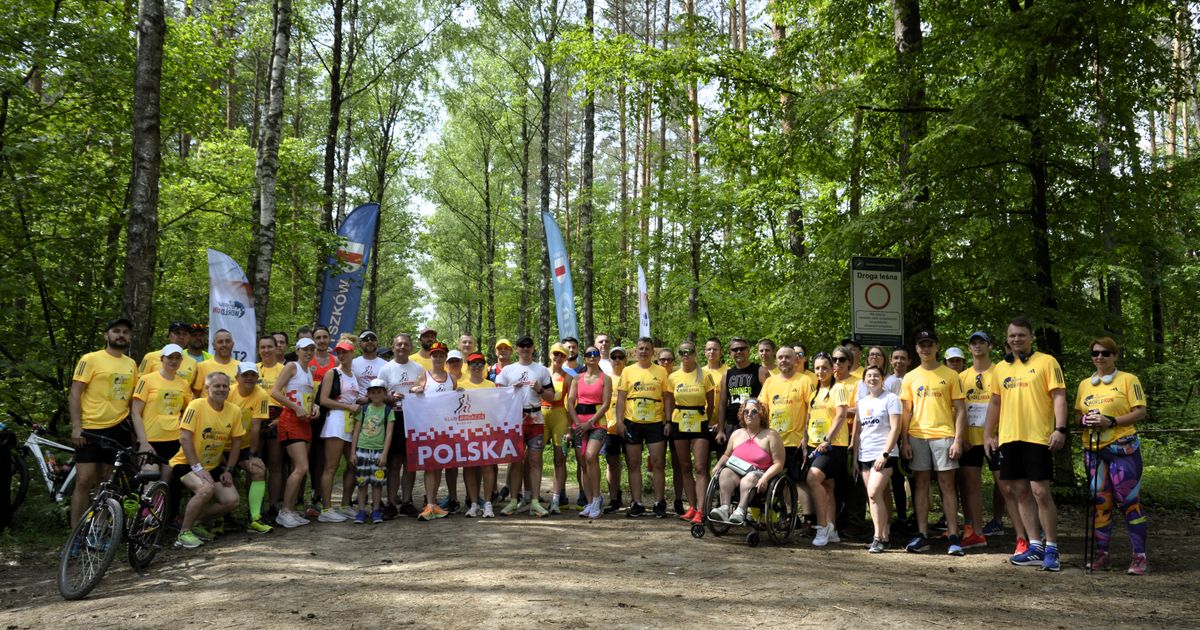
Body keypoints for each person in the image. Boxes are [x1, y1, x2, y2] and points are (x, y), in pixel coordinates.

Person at [984, 315, 1068, 572]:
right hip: (1010, 438)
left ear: (1030, 337)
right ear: (1007, 340)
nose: (1017, 339)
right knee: (1019, 491)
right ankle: (1034, 545)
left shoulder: (1046, 362)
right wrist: (988, 434)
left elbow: (1059, 397)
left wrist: (1060, 429)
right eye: (1012, 336)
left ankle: (1052, 547)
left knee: (1040, 492)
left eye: (1021, 335)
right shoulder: (1000, 368)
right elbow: (995, 402)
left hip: (1038, 437)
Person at [1076, 337, 1149, 575]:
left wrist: (1112, 421)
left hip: (1123, 448)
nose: (1100, 357)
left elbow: (1140, 412)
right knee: (1100, 503)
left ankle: (1139, 557)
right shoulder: (1085, 384)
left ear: (1115, 355)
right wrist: (1085, 420)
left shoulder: (1129, 380)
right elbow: (1078, 416)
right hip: (1094, 450)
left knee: (1129, 502)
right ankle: (1102, 555)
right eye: (1095, 353)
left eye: (1105, 353)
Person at [69, 318, 147, 526]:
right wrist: (77, 427)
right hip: (90, 428)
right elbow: (75, 393)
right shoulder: (90, 359)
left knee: (106, 482)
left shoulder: (131, 364)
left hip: (117, 429)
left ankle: (99, 529)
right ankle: (75, 532)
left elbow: (132, 400)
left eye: (125, 332)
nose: (121, 335)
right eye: (116, 331)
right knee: (84, 480)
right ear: (106, 335)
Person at [900, 330, 967, 556]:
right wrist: (904, 441)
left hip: (944, 436)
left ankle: (953, 535)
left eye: (929, 344)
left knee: (948, 486)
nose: (925, 349)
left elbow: (960, 410)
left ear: (937, 347)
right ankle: (922, 534)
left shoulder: (950, 375)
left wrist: (958, 440)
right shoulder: (910, 377)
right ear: (916, 348)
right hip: (917, 436)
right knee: (921, 485)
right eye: (921, 345)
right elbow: (905, 412)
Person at [171, 372, 245, 548]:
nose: (221, 389)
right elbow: (184, 437)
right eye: (216, 386)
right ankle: (184, 533)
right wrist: (197, 468)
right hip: (185, 463)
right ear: (207, 388)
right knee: (206, 489)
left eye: (224, 386)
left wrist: (229, 470)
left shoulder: (234, 411)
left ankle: (195, 520)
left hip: (212, 465)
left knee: (232, 500)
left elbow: (237, 442)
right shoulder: (196, 405)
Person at [957, 331, 1007, 550]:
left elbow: (1008, 405)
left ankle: (1029, 533)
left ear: (990, 346)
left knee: (1008, 486)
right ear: (969, 348)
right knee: (971, 486)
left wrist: (1000, 432)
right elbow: (956, 409)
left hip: (997, 438)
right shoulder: (961, 377)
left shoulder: (1001, 371)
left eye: (981, 342)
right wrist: (961, 436)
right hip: (970, 439)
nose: (977, 346)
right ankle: (976, 533)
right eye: (973, 343)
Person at [496, 336, 555, 516]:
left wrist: (539, 389)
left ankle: (535, 501)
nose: (525, 349)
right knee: (515, 461)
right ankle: (513, 500)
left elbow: (551, 396)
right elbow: (496, 395)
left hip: (536, 418)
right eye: (522, 346)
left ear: (533, 348)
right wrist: (510, 390)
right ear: (516, 349)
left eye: (529, 346)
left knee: (535, 461)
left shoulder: (542, 370)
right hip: (515, 419)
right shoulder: (507, 370)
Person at [615, 337, 670, 518]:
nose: (644, 352)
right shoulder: (628, 371)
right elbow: (621, 398)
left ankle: (659, 502)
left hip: (655, 421)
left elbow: (667, 397)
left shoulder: (661, 371)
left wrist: (668, 421)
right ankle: (637, 503)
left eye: (647, 349)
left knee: (658, 463)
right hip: (632, 421)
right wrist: (620, 422)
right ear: (635, 352)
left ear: (653, 352)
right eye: (641, 349)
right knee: (633, 463)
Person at [708, 398, 785, 525]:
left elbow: (778, 463)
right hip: (737, 471)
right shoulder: (736, 434)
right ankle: (725, 508)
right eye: (746, 411)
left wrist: (765, 478)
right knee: (725, 473)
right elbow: (727, 454)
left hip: (760, 474)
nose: (749, 414)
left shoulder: (771, 435)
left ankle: (741, 511)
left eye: (754, 412)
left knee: (749, 478)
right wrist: (717, 466)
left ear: (761, 414)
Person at [664, 341, 716, 525]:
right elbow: (669, 400)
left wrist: (707, 420)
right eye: (682, 352)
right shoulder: (673, 376)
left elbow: (711, 401)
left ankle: (702, 509)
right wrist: (669, 420)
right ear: (679, 355)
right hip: (679, 422)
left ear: (695, 354)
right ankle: (692, 506)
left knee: (701, 467)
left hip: (699, 422)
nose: (686, 355)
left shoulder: (705, 375)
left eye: (689, 351)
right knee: (684, 466)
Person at [805, 352, 853, 546]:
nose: (820, 371)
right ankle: (832, 529)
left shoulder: (839, 388)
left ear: (832, 368)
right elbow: (810, 418)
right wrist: (804, 439)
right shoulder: (814, 392)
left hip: (834, 444)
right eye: (817, 368)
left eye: (824, 367)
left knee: (813, 478)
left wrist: (828, 439)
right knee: (827, 486)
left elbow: (841, 416)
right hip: (814, 444)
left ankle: (822, 526)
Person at [270, 338, 317, 528]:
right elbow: (275, 392)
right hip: (290, 420)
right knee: (301, 467)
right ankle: (284, 511)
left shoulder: (309, 372)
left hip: (305, 422)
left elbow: (305, 398)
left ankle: (289, 508)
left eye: (311, 349)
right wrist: (294, 407)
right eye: (305, 349)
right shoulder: (292, 366)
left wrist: (315, 408)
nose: (309, 352)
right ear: (297, 350)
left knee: (299, 468)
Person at [756, 346, 813, 501]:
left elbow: (811, 410)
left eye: (788, 357)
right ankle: (785, 515)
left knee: (800, 481)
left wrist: (806, 436)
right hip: (774, 441)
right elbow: (762, 409)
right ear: (776, 360)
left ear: (795, 360)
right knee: (778, 482)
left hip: (796, 441)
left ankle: (807, 518)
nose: (784, 360)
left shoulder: (805, 380)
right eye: (780, 357)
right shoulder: (769, 382)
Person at [855, 365, 902, 553]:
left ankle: (877, 537)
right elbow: (858, 431)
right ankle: (884, 537)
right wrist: (856, 457)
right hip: (864, 454)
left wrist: (885, 453)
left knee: (874, 493)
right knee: (874, 497)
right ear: (864, 380)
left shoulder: (891, 399)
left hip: (884, 454)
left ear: (882, 378)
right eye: (869, 376)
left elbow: (895, 428)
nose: (872, 379)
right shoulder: (862, 403)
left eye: (876, 375)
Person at [315, 340, 362, 523]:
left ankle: (345, 504)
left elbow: (354, 398)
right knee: (331, 466)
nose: (342, 355)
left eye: (345, 352)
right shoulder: (332, 373)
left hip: (351, 422)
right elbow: (324, 400)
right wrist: (348, 407)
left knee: (352, 464)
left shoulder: (353, 374)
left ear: (352, 353)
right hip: (336, 420)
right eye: (339, 352)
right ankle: (326, 509)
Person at [132, 343, 192, 484]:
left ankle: (160, 507)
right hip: (150, 440)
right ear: (162, 359)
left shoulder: (184, 384)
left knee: (165, 484)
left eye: (177, 358)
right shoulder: (146, 380)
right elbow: (135, 412)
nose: (173, 361)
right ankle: (145, 507)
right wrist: (143, 442)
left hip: (173, 441)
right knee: (149, 479)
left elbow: (189, 410)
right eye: (170, 357)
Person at [225, 362, 274, 533]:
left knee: (259, 470)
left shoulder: (261, 394)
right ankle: (217, 521)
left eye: (252, 375)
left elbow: (255, 427)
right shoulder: (227, 392)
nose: (249, 378)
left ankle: (254, 518)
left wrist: (252, 454)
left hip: (243, 445)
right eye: (245, 375)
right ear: (237, 377)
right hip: (220, 444)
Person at [377, 333, 422, 518]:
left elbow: (423, 392)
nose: (402, 347)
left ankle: (407, 501)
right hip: (393, 417)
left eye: (405, 344)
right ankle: (391, 502)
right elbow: (378, 394)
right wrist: (390, 397)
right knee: (394, 463)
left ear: (410, 347)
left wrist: (417, 391)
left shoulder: (418, 368)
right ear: (393, 346)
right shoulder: (386, 369)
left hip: (413, 417)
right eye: (399, 344)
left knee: (410, 463)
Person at [411, 341, 456, 520]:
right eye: (435, 355)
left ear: (445, 358)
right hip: (427, 428)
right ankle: (429, 504)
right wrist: (415, 390)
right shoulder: (424, 376)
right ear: (431, 357)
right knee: (430, 466)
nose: (438, 358)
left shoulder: (452, 378)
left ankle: (434, 503)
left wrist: (459, 391)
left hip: (446, 428)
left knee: (439, 465)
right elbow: (413, 392)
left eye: (441, 355)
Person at [567, 346, 612, 519]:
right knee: (583, 462)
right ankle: (589, 501)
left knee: (591, 456)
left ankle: (597, 498)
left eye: (595, 354)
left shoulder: (605, 378)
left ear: (599, 357)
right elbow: (571, 401)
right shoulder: (577, 378)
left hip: (597, 423)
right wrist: (577, 423)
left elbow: (606, 404)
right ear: (584, 359)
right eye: (589, 355)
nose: (592, 357)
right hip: (579, 422)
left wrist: (590, 422)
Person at [349, 379, 394, 524]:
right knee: (361, 483)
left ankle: (375, 510)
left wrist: (384, 454)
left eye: (379, 392)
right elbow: (356, 432)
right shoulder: (363, 409)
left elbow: (389, 434)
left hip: (378, 451)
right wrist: (352, 452)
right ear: (368, 394)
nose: (376, 395)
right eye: (373, 392)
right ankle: (361, 511)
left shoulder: (388, 411)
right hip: (362, 450)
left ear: (384, 393)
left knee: (377, 483)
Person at [459, 353, 498, 518]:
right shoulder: (460, 385)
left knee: (487, 466)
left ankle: (487, 503)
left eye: (480, 363)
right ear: (468, 366)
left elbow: (498, 406)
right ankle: (474, 503)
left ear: (484, 366)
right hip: (467, 431)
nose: (476, 367)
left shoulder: (491, 385)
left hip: (486, 430)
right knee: (469, 466)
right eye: (473, 364)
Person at [716, 338, 769, 455]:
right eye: (735, 349)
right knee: (730, 459)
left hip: (754, 423)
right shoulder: (727, 374)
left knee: (752, 459)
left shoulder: (760, 371)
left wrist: (766, 427)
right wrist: (720, 430)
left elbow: (768, 401)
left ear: (749, 350)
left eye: (742, 348)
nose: (738, 351)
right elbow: (722, 404)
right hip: (732, 423)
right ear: (730, 353)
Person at [256, 335, 285, 519]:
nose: (266, 350)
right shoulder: (253, 369)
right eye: (263, 347)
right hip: (256, 416)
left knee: (275, 465)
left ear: (276, 348)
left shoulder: (284, 369)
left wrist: (282, 418)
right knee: (257, 465)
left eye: (269, 347)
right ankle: (255, 508)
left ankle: (274, 505)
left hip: (277, 416)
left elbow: (291, 395)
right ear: (259, 349)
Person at [543, 343, 574, 513]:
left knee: (559, 457)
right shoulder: (542, 372)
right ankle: (531, 497)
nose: (558, 357)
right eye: (555, 354)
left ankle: (556, 499)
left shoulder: (568, 376)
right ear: (550, 354)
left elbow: (570, 402)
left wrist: (569, 427)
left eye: (562, 355)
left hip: (559, 415)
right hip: (540, 414)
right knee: (533, 457)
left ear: (565, 358)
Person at [601, 347, 628, 513]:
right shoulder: (605, 378)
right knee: (612, 463)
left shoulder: (630, 376)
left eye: (620, 357)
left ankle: (636, 499)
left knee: (633, 462)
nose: (617, 360)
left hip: (629, 425)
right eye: (614, 357)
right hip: (609, 426)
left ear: (625, 359)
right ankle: (614, 498)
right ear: (610, 360)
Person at [139, 321, 199, 391]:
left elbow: (192, 389)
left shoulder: (193, 363)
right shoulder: (150, 357)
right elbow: (140, 383)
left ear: (188, 337)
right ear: (169, 336)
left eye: (185, 334)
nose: (181, 337)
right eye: (177, 333)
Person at [193, 329, 238, 398]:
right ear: (213, 345)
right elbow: (196, 394)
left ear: (232, 344)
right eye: (220, 342)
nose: (224, 344)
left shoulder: (240, 366)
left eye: (227, 341)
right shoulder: (202, 366)